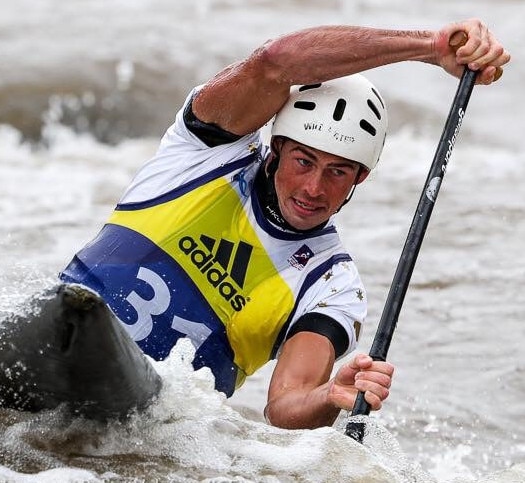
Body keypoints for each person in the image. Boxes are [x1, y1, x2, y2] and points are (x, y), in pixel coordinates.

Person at [59, 19, 509, 430]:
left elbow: (285, 407)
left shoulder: (331, 283)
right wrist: (430, 46)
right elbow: (275, 62)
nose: (314, 187)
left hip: (145, 430)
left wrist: (330, 395)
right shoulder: (206, 152)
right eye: (304, 160)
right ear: (275, 150)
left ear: (360, 178)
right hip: (62, 337)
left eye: (337, 172)